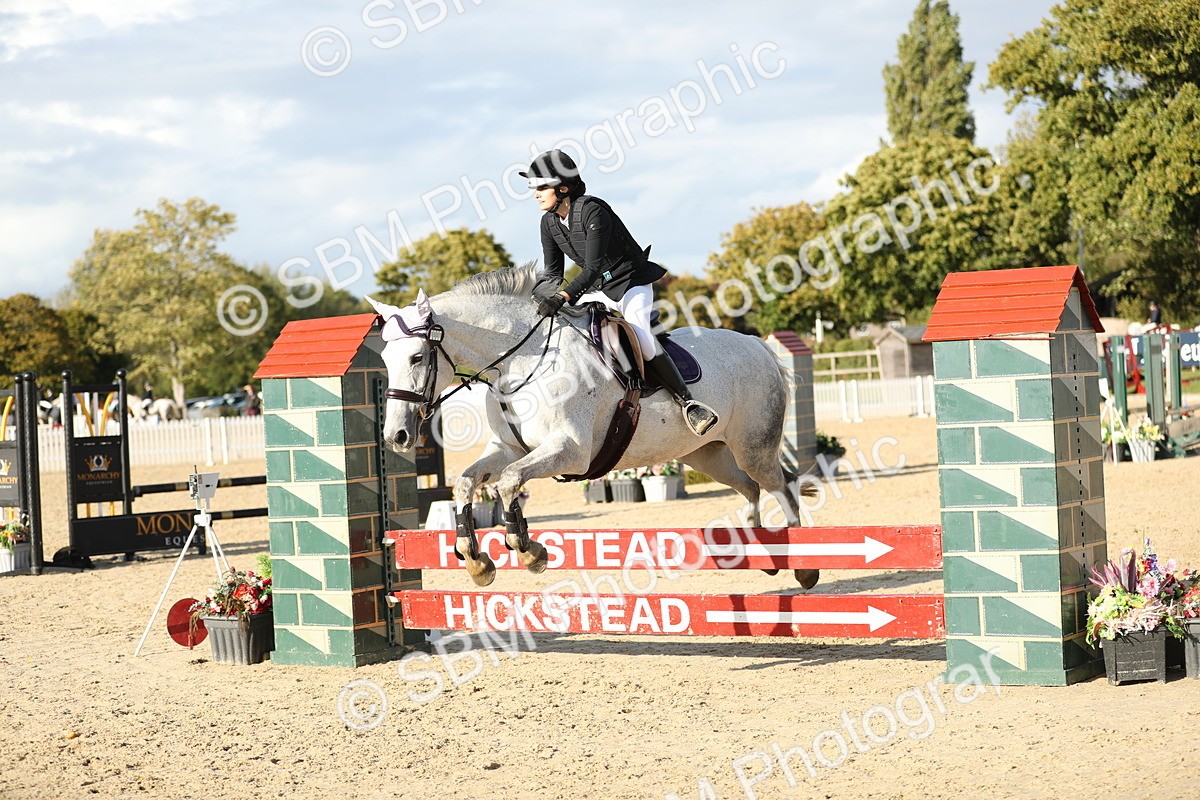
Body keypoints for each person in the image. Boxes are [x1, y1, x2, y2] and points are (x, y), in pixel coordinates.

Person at [521, 149, 718, 435]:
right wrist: (537, 298)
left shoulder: (592, 210)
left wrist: (562, 297)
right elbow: (554, 273)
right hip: (597, 289)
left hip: (630, 283)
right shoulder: (548, 223)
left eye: (541, 187)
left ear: (563, 187)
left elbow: (591, 268)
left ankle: (688, 403)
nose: (536, 194)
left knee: (643, 338)